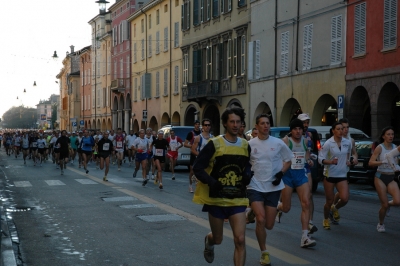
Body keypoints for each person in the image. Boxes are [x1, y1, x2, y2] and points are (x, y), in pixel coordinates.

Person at [193, 107, 251, 266]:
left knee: (240, 240)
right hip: (216, 200)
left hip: (237, 199)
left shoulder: (245, 145)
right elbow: (198, 167)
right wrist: (212, 182)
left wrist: (247, 174)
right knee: (218, 239)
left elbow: (246, 166)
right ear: (225, 123)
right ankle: (209, 241)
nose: (235, 125)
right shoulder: (214, 144)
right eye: (232, 121)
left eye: (238, 122)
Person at [246, 114, 293, 265]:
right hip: (255, 186)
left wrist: (281, 173)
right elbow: (244, 163)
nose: (266, 126)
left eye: (268, 123)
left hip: (273, 187)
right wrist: (247, 174)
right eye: (263, 123)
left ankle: (253, 212)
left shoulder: (278, 143)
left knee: (269, 225)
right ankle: (264, 252)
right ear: (257, 126)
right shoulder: (250, 144)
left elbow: (288, 159)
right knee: (261, 219)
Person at [277, 119, 316, 247]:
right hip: (288, 176)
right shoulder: (286, 142)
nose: (298, 131)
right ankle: (278, 206)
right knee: (286, 208)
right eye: (295, 129)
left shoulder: (305, 141)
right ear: (291, 130)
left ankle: (305, 237)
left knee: (306, 203)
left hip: (300, 175)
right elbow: (277, 157)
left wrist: (309, 161)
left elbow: (306, 156)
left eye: (300, 129)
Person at [318, 122, 352, 229]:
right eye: (338, 129)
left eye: (342, 129)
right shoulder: (328, 143)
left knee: (345, 198)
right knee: (329, 200)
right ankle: (326, 219)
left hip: (342, 174)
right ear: (333, 130)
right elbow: (320, 159)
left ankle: (335, 208)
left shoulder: (347, 142)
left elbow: (350, 154)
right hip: (330, 175)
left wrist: (350, 161)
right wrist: (330, 162)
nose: (341, 131)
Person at [369, 126, 400, 232]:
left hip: (391, 177)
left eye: (392, 134)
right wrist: (382, 162)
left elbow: (397, 162)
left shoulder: (395, 147)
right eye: (388, 134)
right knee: (384, 204)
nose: (391, 136)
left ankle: (389, 206)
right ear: (383, 136)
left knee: (397, 201)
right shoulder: (380, 147)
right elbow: (371, 162)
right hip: (380, 176)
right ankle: (381, 224)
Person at [297, 113, 318, 234]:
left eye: (307, 122)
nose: (305, 125)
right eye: (303, 122)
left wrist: (310, 157)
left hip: (306, 167)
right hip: (293, 169)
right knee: (286, 205)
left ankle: (310, 222)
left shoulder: (309, 135)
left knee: (309, 195)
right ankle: (280, 207)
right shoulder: (291, 136)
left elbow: (308, 151)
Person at [191, 118, 214, 184]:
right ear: (203, 126)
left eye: (209, 125)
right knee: (200, 182)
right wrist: (201, 156)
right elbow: (193, 150)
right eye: (205, 125)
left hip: (210, 162)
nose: (207, 127)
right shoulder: (198, 137)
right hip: (201, 163)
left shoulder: (213, 138)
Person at [184, 120, 201, 193]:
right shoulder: (191, 133)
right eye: (196, 124)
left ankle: (198, 185)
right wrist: (192, 146)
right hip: (193, 153)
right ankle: (190, 186)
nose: (197, 125)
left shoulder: (202, 133)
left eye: (198, 124)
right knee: (192, 170)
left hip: (200, 154)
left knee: (200, 170)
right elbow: (185, 144)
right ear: (194, 125)